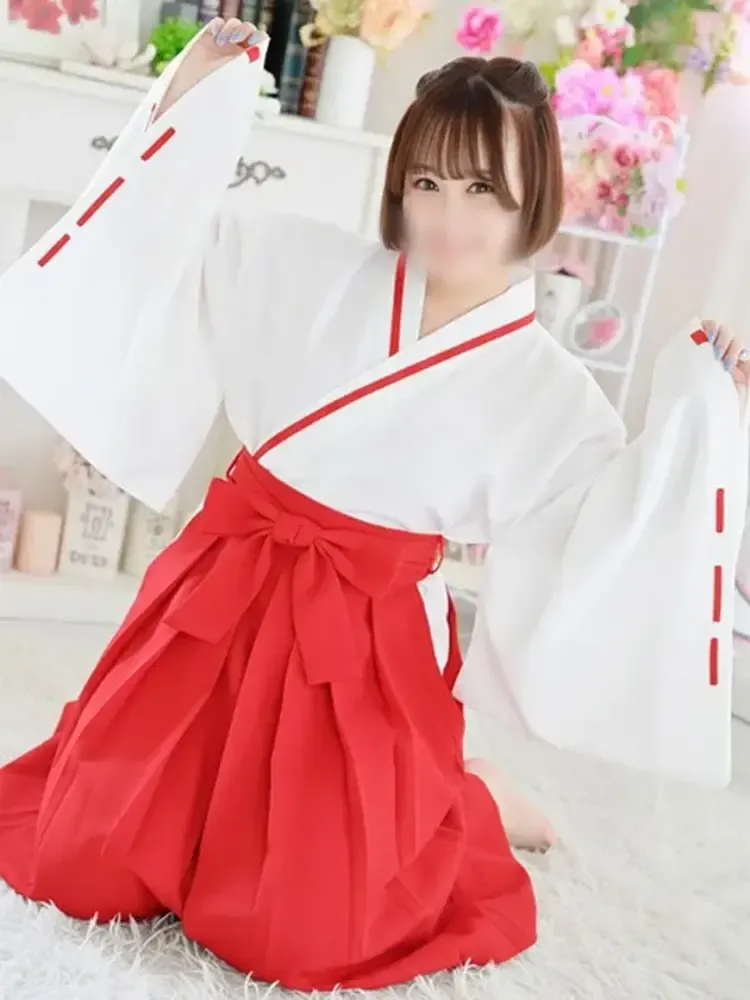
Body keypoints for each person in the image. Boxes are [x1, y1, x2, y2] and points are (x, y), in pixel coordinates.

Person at [0, 15, 747, 992]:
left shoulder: (546, 388)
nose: (449, 215)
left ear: (532, 196)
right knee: (79, 868)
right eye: (428, 181)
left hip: (359, 646)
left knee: (300, 939)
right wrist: (196, 92)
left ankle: (463, 797)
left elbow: (608, 529)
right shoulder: (304, 264)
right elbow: (165, 240)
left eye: (482, 189)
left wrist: (702, 409)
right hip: (219, 594)